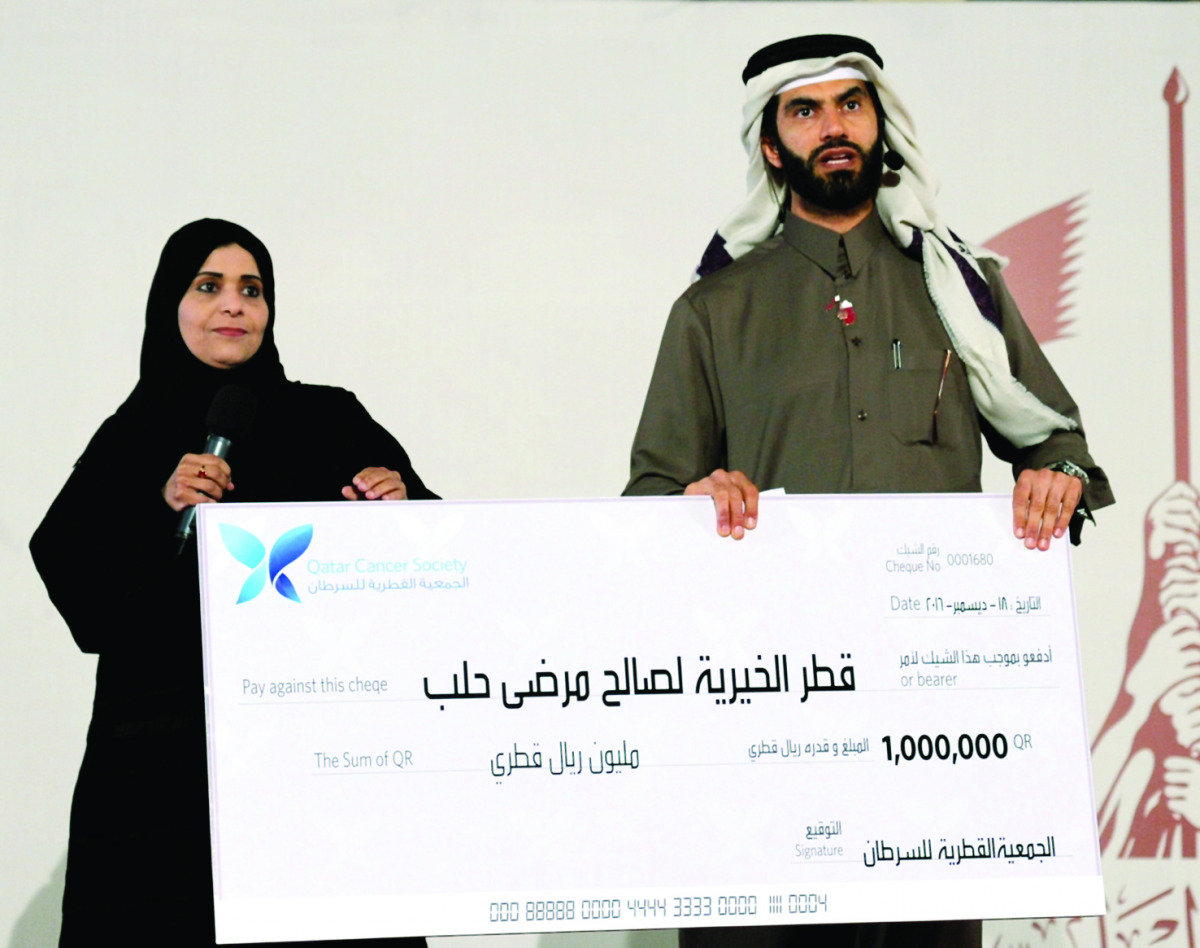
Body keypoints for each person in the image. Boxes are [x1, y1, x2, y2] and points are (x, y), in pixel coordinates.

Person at [623, 34, 1114, 948]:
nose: (832, 127)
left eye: (851, 104)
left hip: (927, 716)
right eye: (804, 112)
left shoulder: (959, 289)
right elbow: (651, 493)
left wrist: (1057, 480)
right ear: (772, 146)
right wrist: (695, 500)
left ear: (882, 125)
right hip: (765, 712)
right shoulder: (714, 310)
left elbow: (1058, 439)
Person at [31, 219, 435, 947]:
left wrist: (400, 508)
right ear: (170, 304)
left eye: (252, 290)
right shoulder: (134, 435)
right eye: (208, 286)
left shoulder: (331, 418)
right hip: (166, 769)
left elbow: (437, 563)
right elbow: (74, 575)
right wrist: (158, 507)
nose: (234, 306)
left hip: (318, 757)